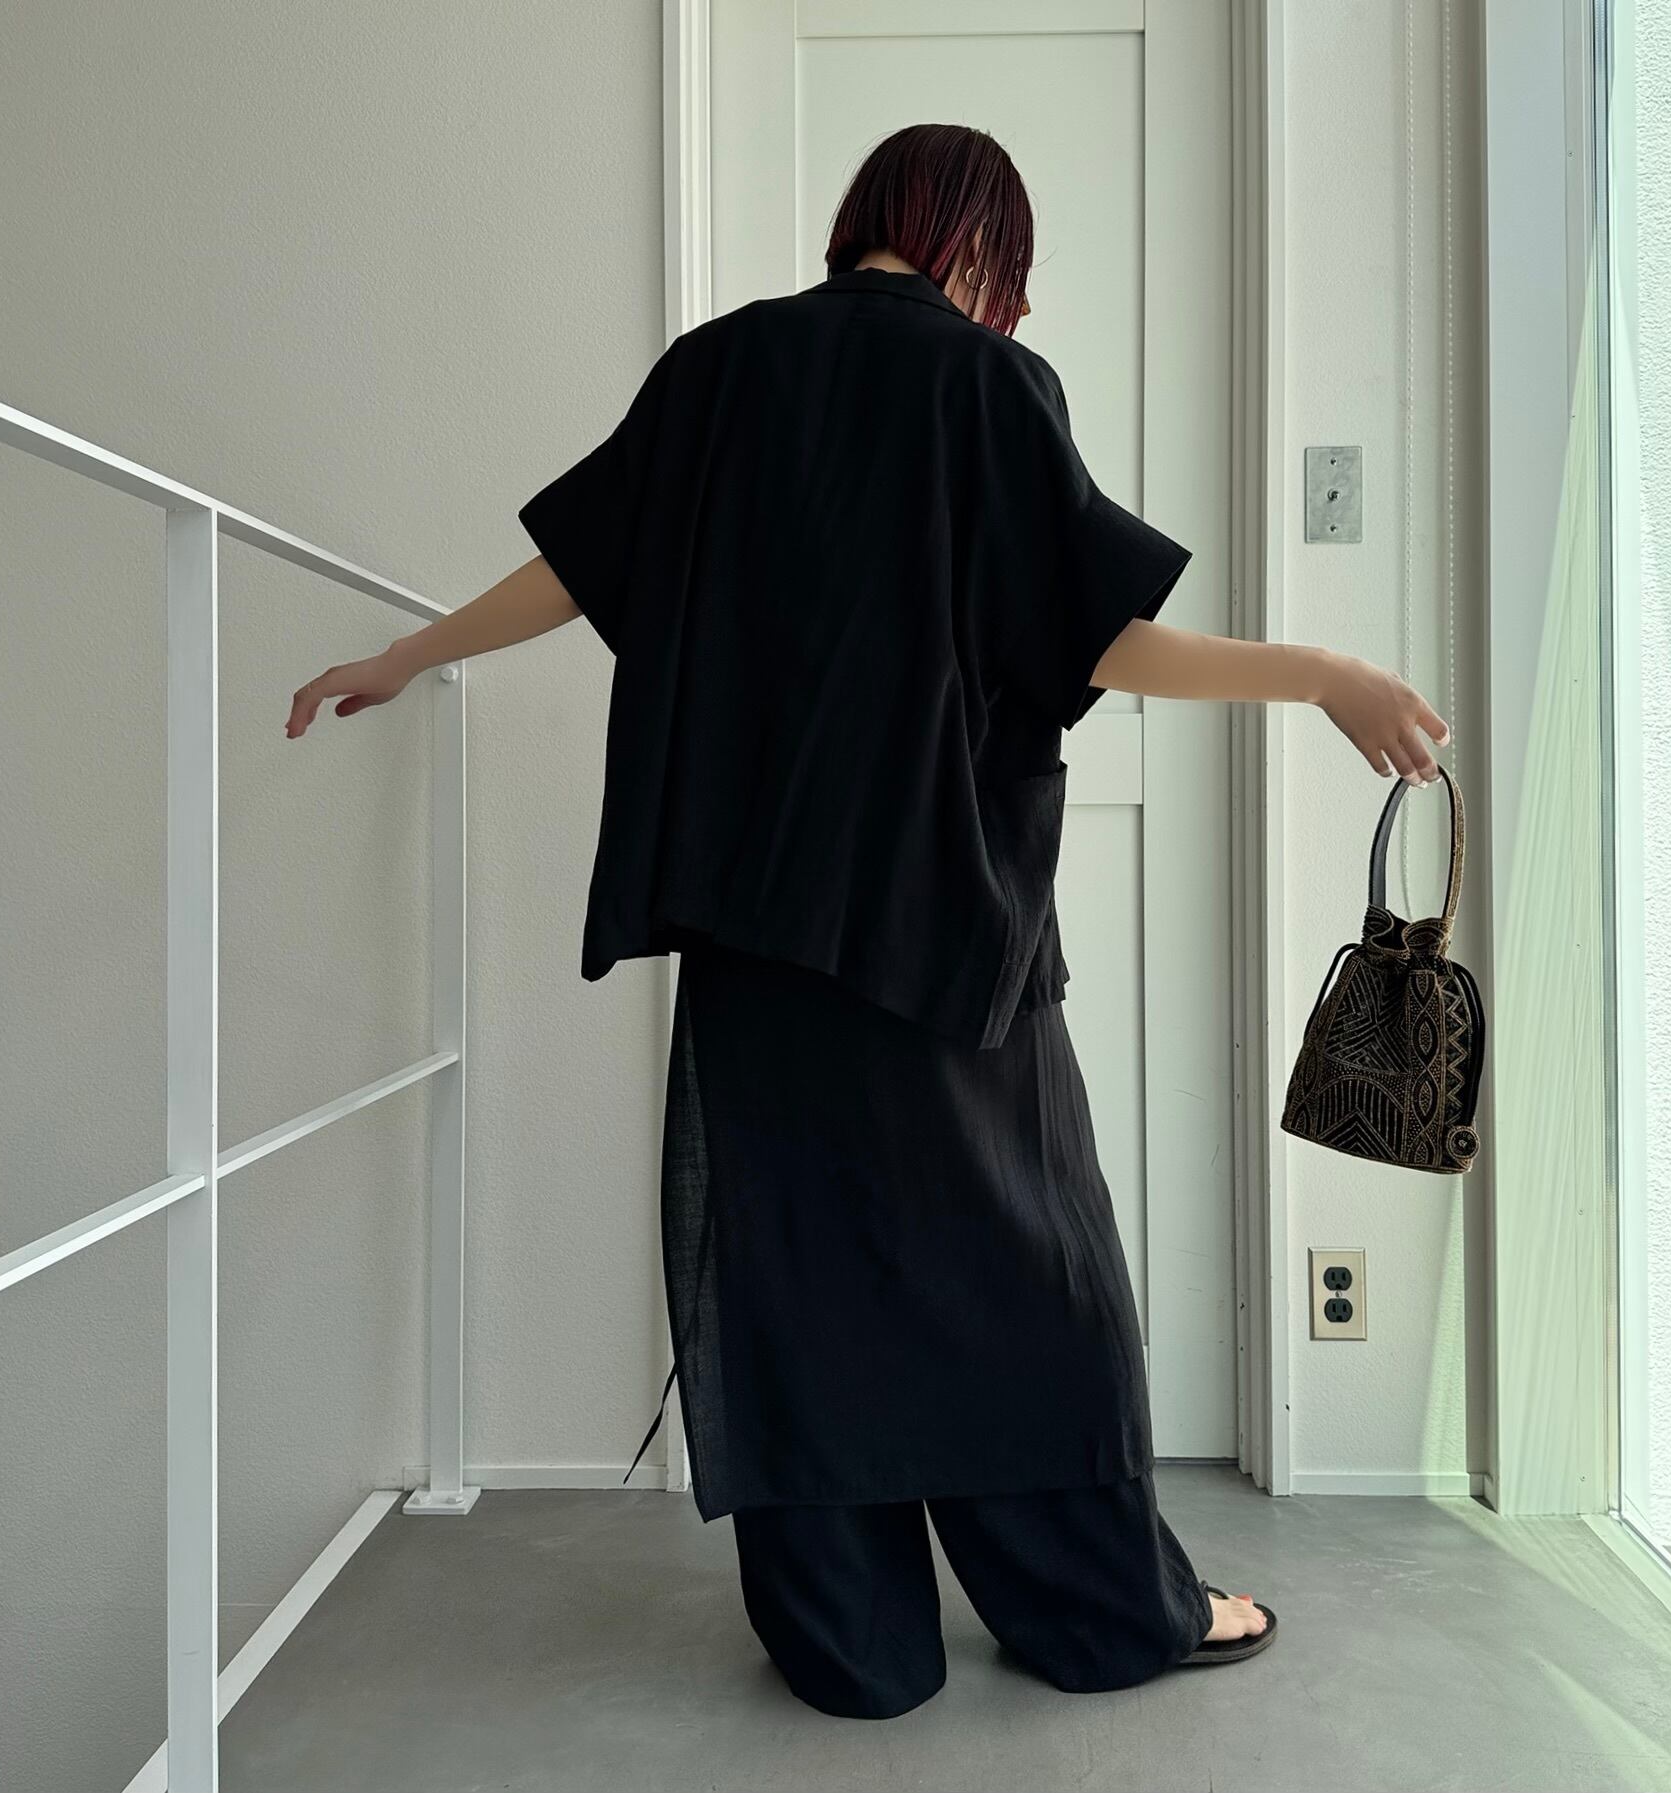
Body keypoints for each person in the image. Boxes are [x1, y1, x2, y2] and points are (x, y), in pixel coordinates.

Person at [285, 123, 1447, 1721]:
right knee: (1031, 1269)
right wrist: (1321, 674)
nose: (1012, 306)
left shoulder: (715, 368)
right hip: (941, 930)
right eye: (1011, 274)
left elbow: (574, 567)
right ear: (974, 245)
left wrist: (406, 658)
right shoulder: (987, 385)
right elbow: (1101, 640)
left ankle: (855, 1641)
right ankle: (1096, 1610)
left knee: (795, 1270)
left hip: (749, 926)